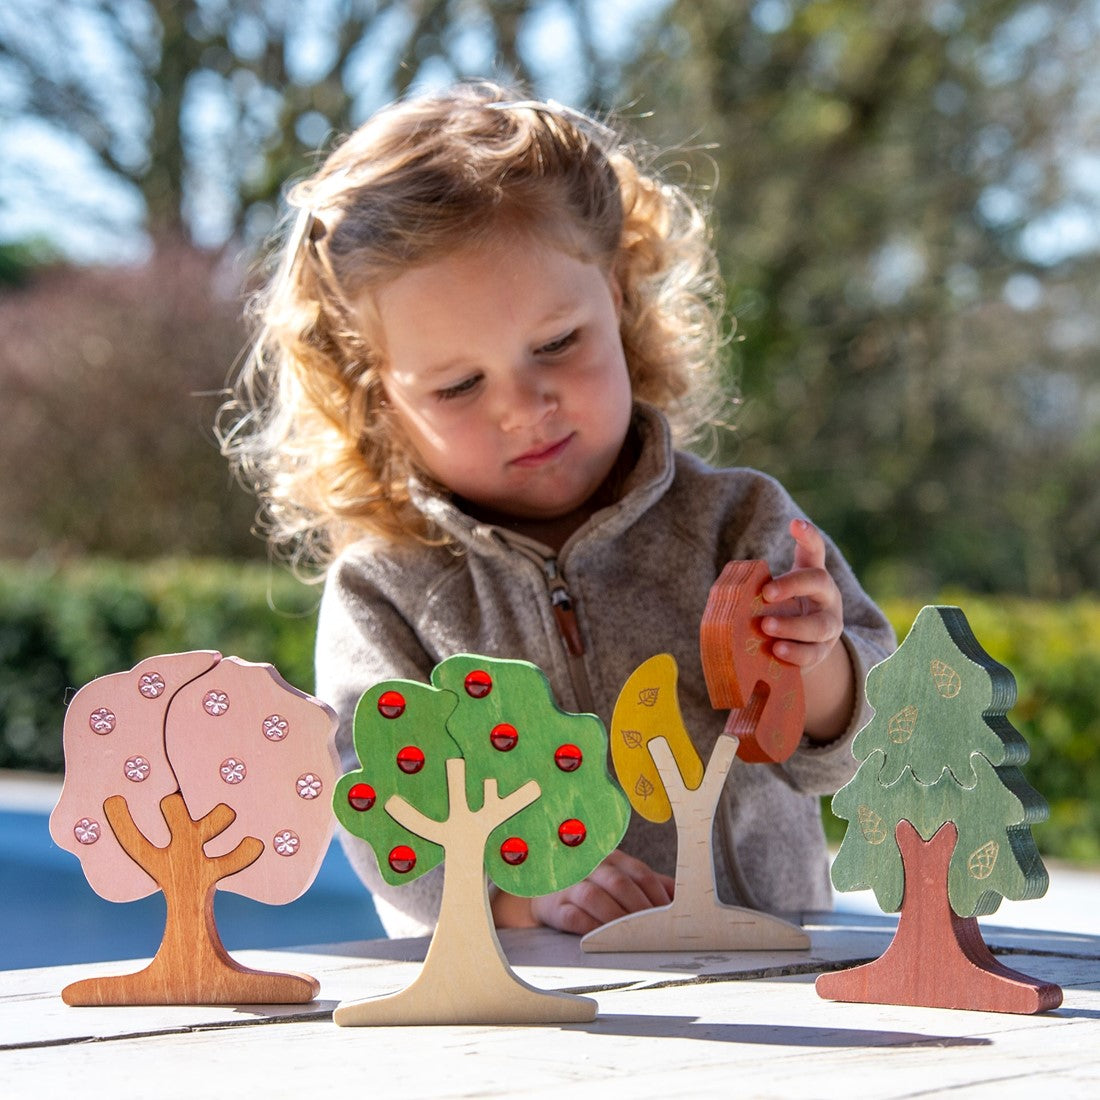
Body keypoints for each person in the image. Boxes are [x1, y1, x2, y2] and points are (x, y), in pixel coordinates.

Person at [220, 81, 896, 939]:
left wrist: (819, 665)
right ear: (378, 397)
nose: (522, 406)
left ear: (616, 295)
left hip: (765, 975)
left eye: (557, 345)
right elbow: (376, 796)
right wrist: (522, 896)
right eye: (459, 384)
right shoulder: (385, 587)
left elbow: (857, 745)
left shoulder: (738, 523)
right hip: (513, 1001)